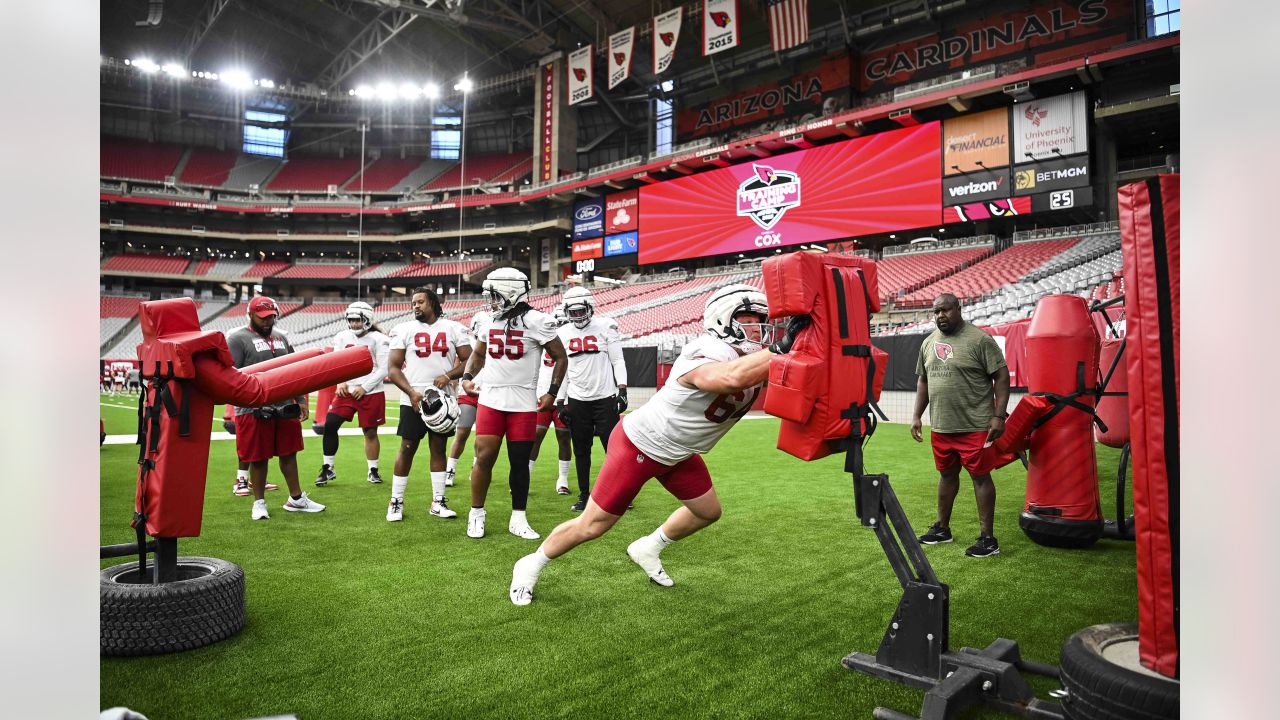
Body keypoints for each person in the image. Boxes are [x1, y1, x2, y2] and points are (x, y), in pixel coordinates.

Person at [508, 284, 809, 606]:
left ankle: (648, 546)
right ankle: (530, 564)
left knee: (707, 512)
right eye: (750, 320)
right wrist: (783, 347)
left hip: (677, 453)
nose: (760, 329)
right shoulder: (707, 349)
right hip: (641, 444)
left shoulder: (751, 356)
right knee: (593, 525)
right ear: (725, 320)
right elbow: (729, 379)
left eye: (764, 321)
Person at [460, 268, 567, 540]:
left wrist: (552, 392)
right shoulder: (488, 321)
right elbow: (478, 354)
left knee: (519, 462)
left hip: (522, 402)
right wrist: (467, 376)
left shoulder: (538, 321)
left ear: (510, 293)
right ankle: (476, 514)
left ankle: (518, 518)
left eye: (494, 295)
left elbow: (560, 357)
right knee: (483, 458)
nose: (490, 301)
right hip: (491, 399)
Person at [910, 293, 1010, 558]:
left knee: (980, 477)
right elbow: (924, 381)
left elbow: (1001, 376)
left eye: (945, 310)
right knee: (946, 476)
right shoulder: (929, 342)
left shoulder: (980, 340)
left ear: (958, 308)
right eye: (936, 311)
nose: (940, 315)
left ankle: (988, 539)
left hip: (975, 425)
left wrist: (998, 416)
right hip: (942, 426)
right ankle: (943, 529)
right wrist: (917, 415)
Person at [226, 296, 324, 520]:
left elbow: (294, 369)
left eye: (271, 317)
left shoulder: (282, 337)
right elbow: (231, 376)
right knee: (259, 457)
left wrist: (300, 400)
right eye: (263, 318)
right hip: (253, 409)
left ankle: (296, 499)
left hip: (284, 405)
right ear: (250, 315)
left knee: (289, 453)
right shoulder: (238, 339)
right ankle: (259, 503)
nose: (268, 322)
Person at [385, 288, 472, 522]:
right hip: (411, 397)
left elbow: (471, 360)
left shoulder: (453, 328)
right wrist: (411, 392)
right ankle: (396, 502)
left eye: (420, 302)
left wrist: (449, 375)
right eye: (413, 302)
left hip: (442, 399)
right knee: (407, 448)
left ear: (432, 303)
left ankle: (438, 501)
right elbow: (393, 368)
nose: (415, 306)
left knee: (438, 449)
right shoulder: (404, 329)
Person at [555, 287, 628, 512]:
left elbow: (618, 361)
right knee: (581, 450)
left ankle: (621, 494)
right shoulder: (564, 333)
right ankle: (585, 495)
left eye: (581, 311)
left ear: (590, 308)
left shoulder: (606, 326)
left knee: (614, 448)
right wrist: (560, 401)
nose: (577, 316)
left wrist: (622, 389)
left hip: (604, 397)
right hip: (577, 400)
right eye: (572, 312)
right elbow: (564, 369)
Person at [315, 302, 392, 487]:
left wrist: (364, 387)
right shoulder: (342, 337)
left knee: (370, 432)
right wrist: (341, 381)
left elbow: (384, 369)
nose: (355, 324)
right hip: (347, 390)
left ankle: (373, 469)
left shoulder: (379, 339)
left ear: (367, 320)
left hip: (371, 391)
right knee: (331, 424)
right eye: (351, 320)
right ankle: (328, 467)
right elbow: (335, 362)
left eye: (358, 320)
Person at [530, 305, 573, 495]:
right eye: (559, 323)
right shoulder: (541, 342)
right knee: (535, 437)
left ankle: (562, 480)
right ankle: (525, 478)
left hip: (565, 398)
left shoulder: (573, 341)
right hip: (542, 396)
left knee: (564, 438)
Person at [445, 309, 491, 488]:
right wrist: (456, 385)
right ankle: (450, 469)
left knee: (483, 437)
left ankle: (476, 467)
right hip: (468, 393)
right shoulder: (470, 343)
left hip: (488, 394)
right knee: (462, 433)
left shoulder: (495, 341)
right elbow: (460, 363)